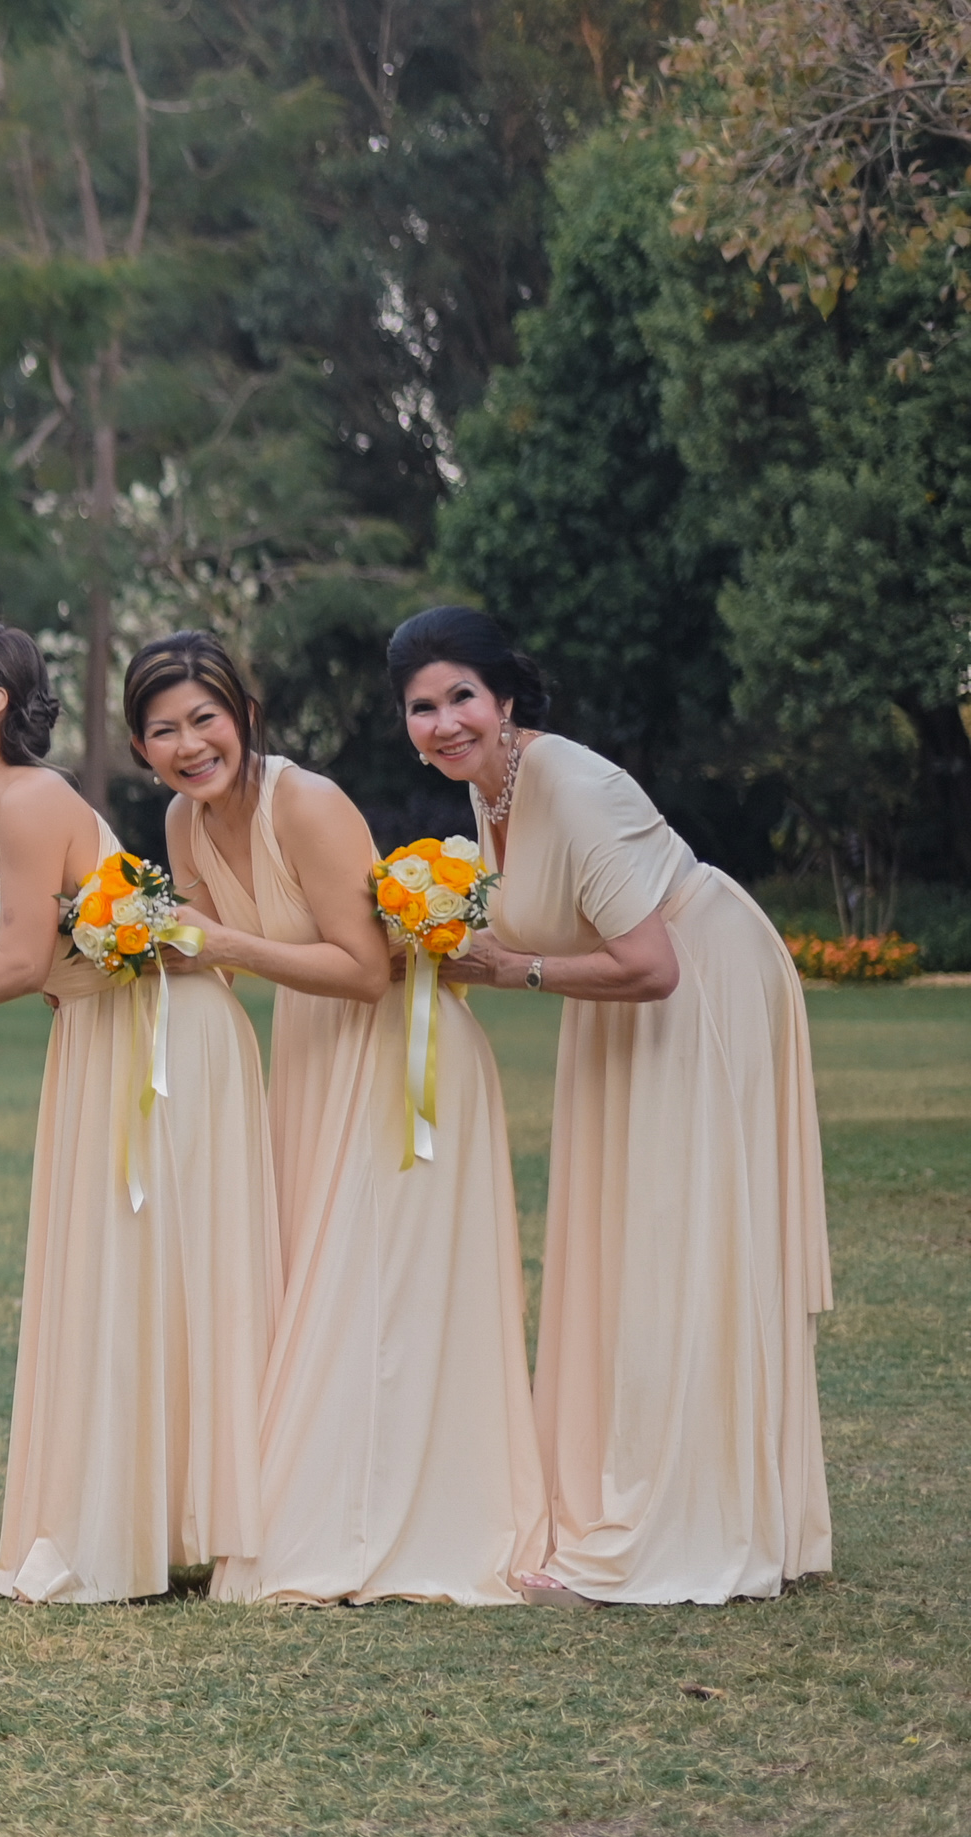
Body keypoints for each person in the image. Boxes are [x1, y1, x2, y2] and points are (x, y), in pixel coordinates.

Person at [396, 606, 831, 1603]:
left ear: (505, 699)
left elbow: (652, 964)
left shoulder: (571, 786)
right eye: (422, 707)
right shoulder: (487, 788)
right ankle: (606, 1491)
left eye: (462, 697)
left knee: (675, 1240)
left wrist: (510, 970)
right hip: (612, 1002)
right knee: (616, 1241)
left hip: (698, 986)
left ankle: (680, 1519)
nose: (445, 722)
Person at [0, 618, 272, 1603]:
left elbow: (11, 965)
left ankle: (198, 1519)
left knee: (156, 1266)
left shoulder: (33, 800)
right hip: (94, 1039)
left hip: (162, 1040)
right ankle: (126, 1513)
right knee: (108, 1272)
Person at [134, 633, 540, 1607]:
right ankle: (328, 1502)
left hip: (398, 1055)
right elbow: (209, 963)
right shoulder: (183, 823)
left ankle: (394, 1523)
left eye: (204, 719)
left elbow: (360, 970)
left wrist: (221, 943)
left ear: (244, 716)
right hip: (309, 1056)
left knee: (380, 1294)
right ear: (141, 748)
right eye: (163, 731)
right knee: (320, 1286)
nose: (189, 746)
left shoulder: (305, 803)